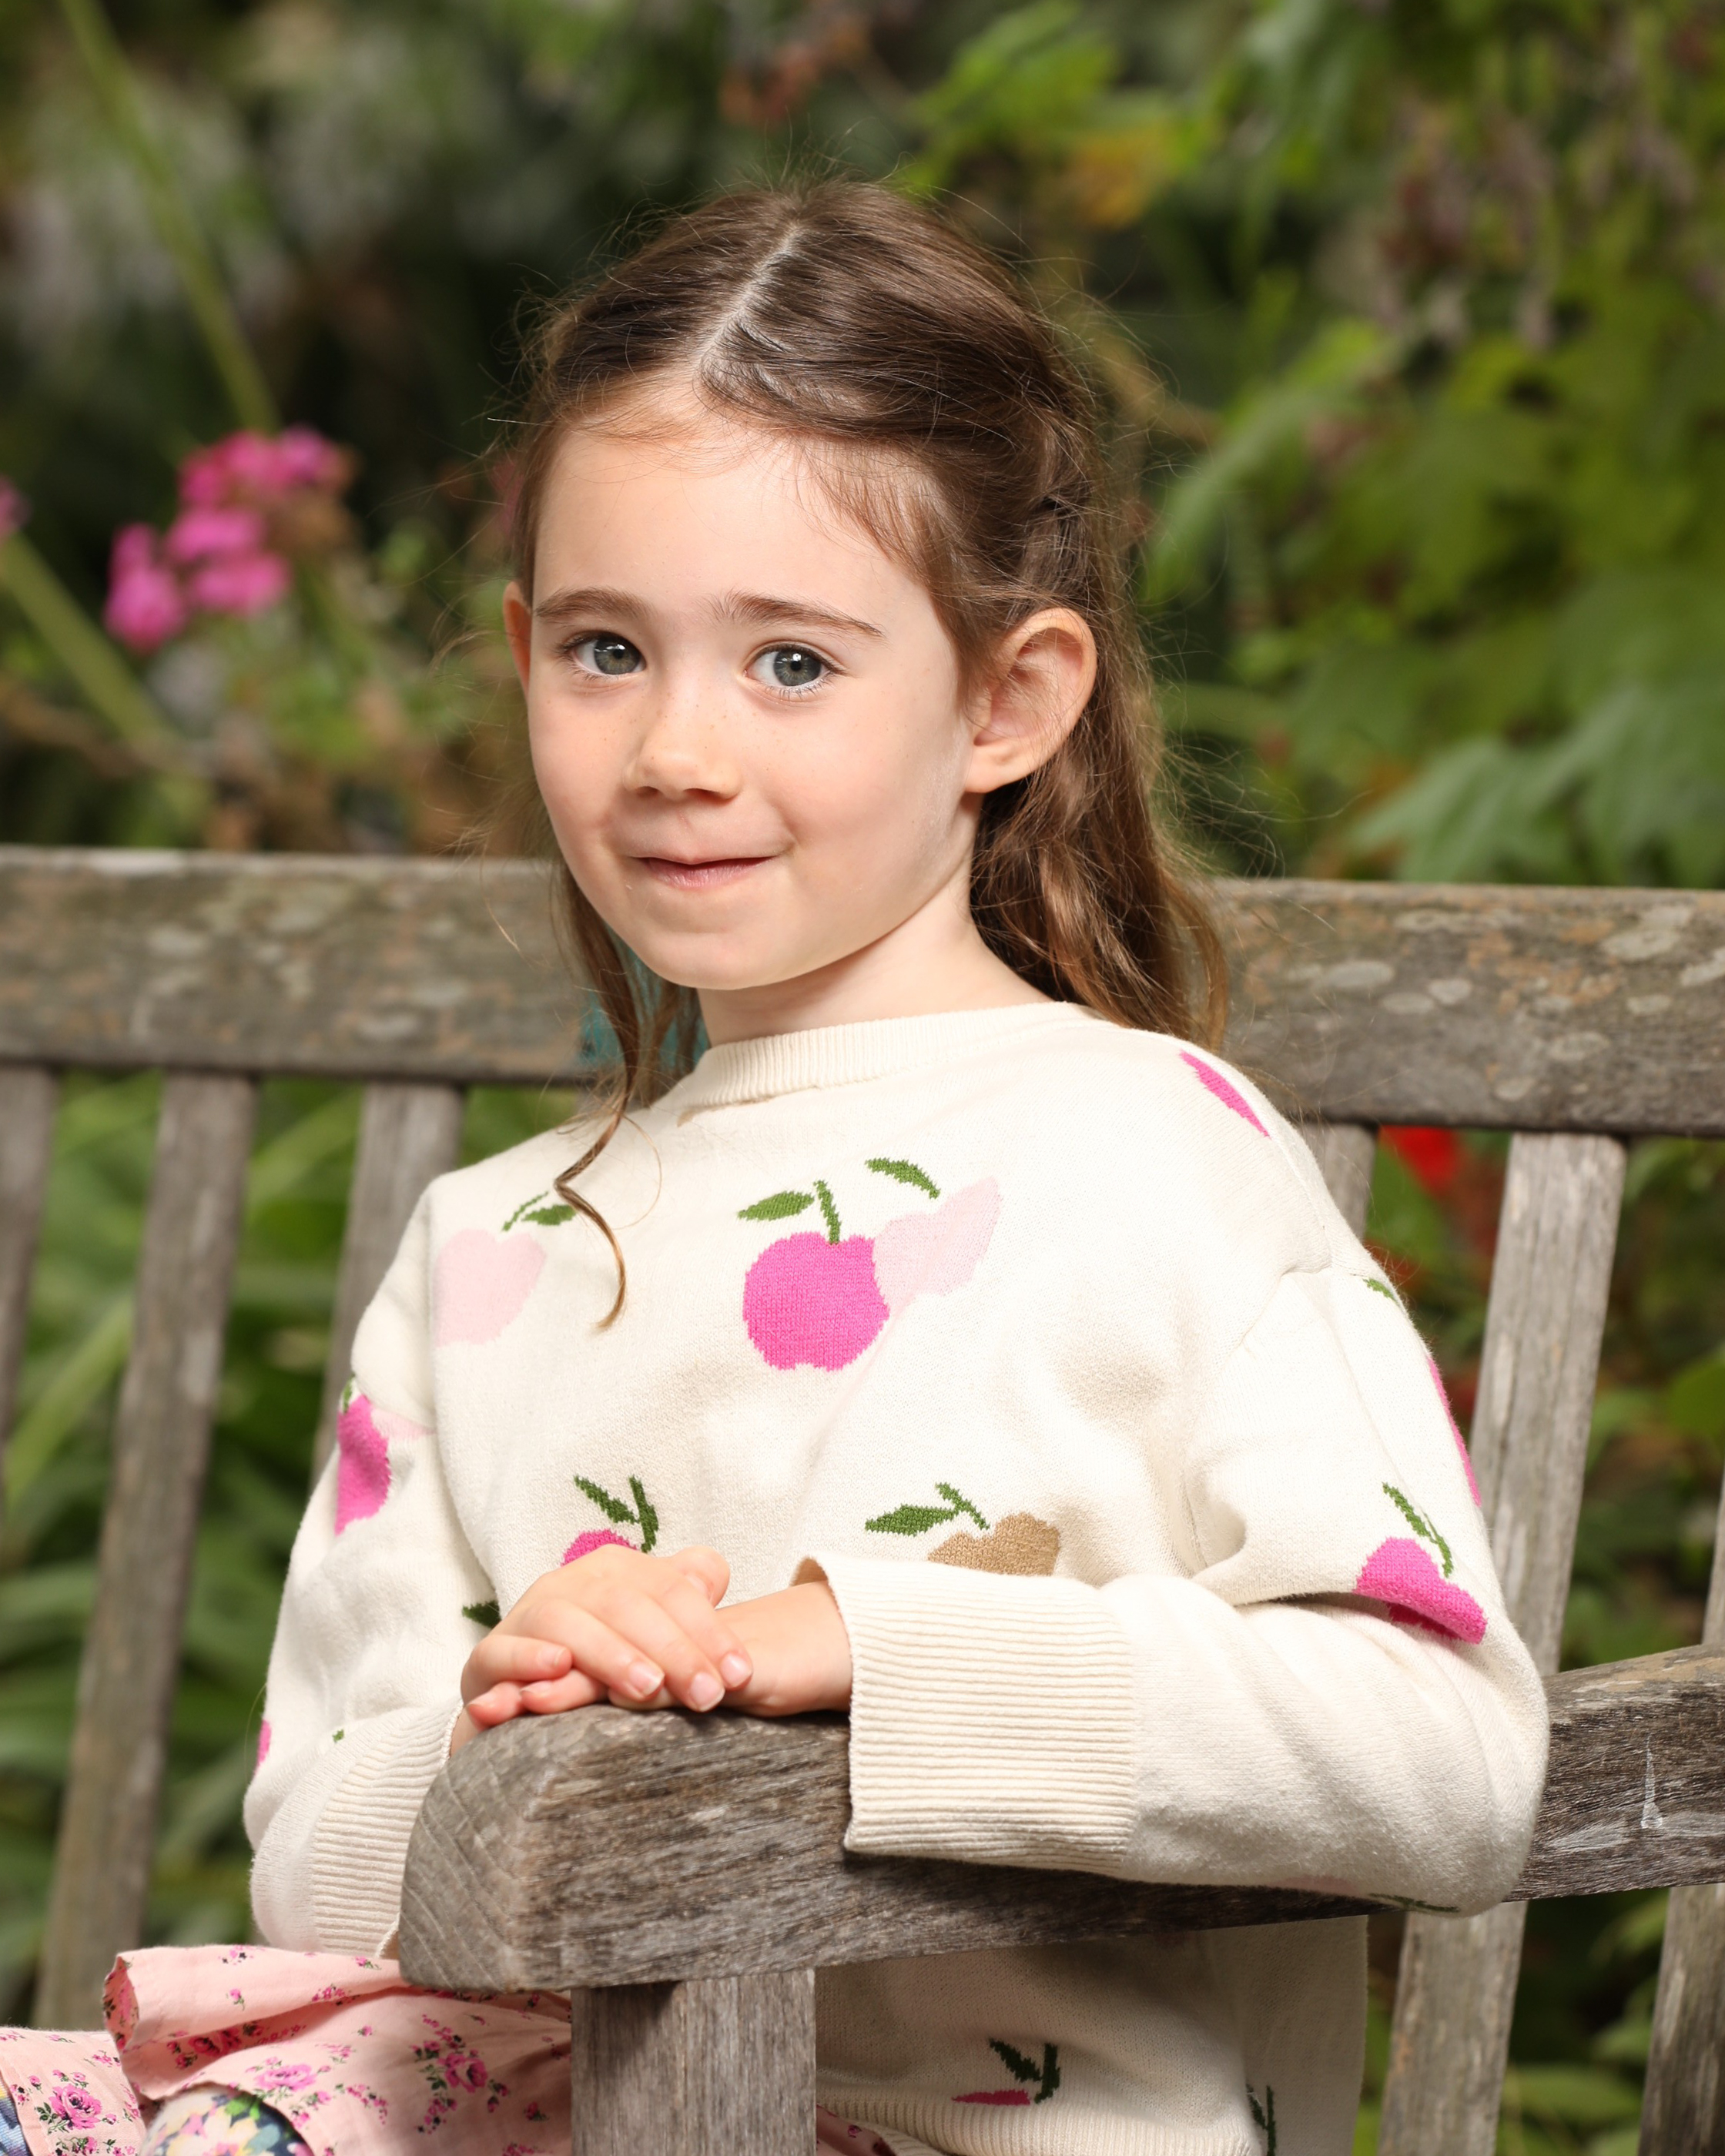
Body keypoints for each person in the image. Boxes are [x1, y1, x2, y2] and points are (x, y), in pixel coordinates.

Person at [1, 179, 1546, 2156]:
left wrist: (873, 1654)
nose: (675, 747)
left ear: (1006, 700)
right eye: (605, 649)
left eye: (791, 664)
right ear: (521, 656)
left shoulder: (1157, 1166)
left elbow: (1446, 1750)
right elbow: (310, 1843)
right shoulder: (493, 1247)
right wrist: (507, 1718)